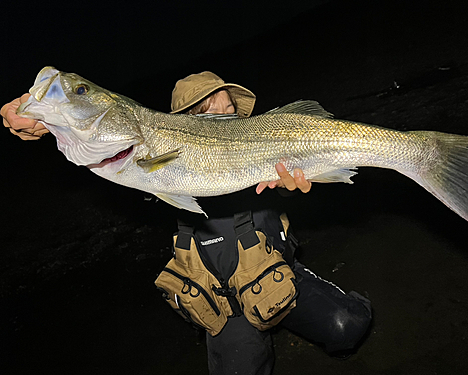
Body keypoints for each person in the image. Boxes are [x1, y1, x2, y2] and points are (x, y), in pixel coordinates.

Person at [2, 71, 372, 375]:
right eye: (208, 111)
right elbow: (77, 127)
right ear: (182, 123)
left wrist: (295, 185)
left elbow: (285, 191)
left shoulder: (260, 147)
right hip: (223, 301)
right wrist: (42, 120)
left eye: (230, 109)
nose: (223, 117)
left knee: (348, 327)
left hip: (276, 274)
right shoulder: (143, 159)